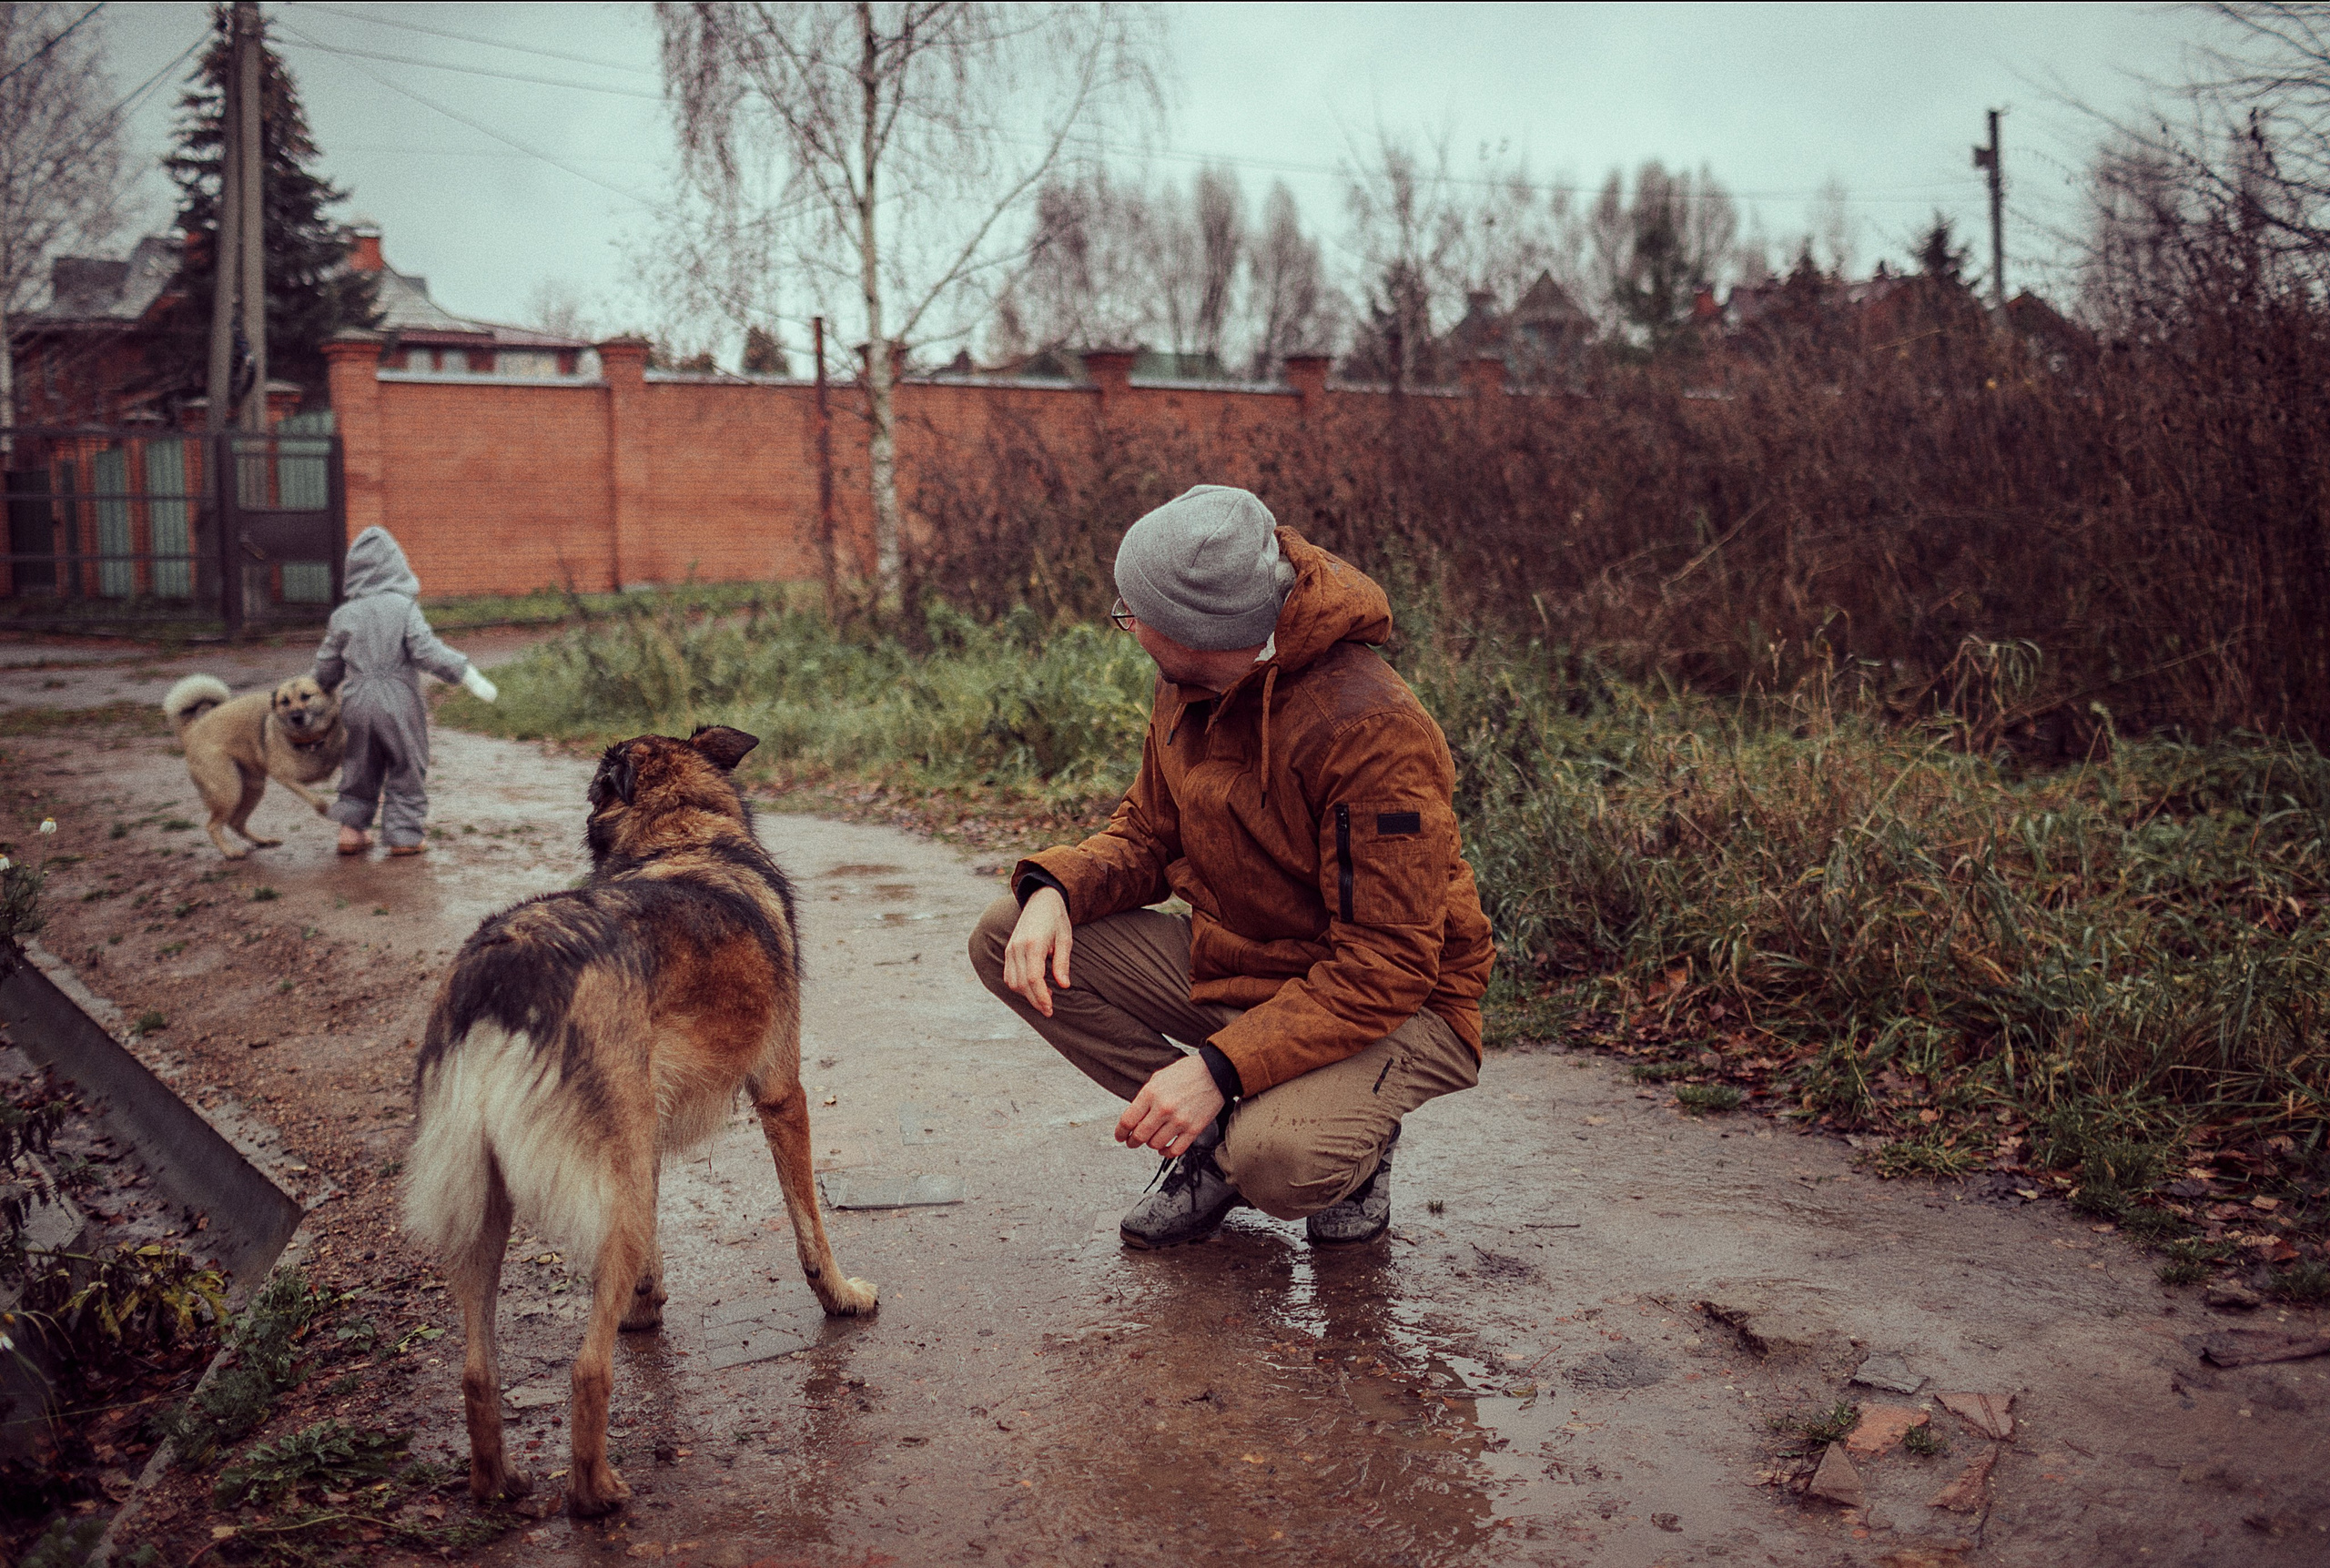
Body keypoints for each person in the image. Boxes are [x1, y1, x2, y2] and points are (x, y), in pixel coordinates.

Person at [969, 485, 1494, 1249]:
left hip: (1401, 1004)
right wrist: (1056, 890)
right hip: (1250, 962)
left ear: (1197, 630)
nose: (1127, 623)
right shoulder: (1187, 681)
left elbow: (1388, 964)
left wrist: (1216, 1070)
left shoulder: (1371, 729)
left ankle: (1343, 1146)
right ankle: (1210, 1140)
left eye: (1133, 612)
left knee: (1277, 1161)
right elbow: (1149, 831)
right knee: (1007, 934)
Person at [313, 526, 498, 856]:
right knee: (406, 763)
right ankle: (404, 835)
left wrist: (320, 686)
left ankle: (351, 831)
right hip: (398, 699)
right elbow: (427, 651)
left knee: (359, 764)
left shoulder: (344, 615)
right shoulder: (403, 608)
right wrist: (465, 673)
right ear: (396, 566)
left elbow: (327, 665)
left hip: (356, 700)